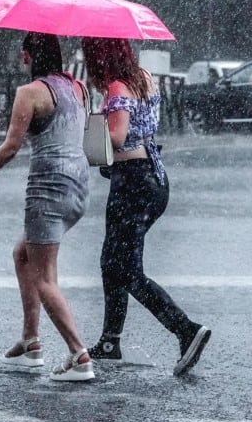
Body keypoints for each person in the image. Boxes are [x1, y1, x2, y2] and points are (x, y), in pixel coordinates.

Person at [0, 32, 95, 382]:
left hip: (48, 189)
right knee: (23, 254)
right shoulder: (79, 89)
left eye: (21, 56)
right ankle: (30, 342)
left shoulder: (30, 93)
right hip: (78, 188)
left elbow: (10, 147)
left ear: (27, 57)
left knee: (44, 277)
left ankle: (79, 354)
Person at [81, 36, 211, 377]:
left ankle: (185, 329)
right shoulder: (144, 77)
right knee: (112, 261)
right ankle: (110, 341)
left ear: (98, 56)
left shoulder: (118, 88)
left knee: (127, 270)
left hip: (133, 183)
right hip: (153, 179)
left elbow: (118, 137)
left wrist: (88, 130)